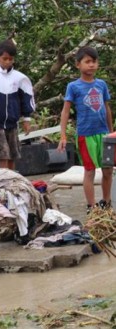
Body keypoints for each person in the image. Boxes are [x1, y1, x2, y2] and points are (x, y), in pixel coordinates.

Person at [57, 46, 113, 213]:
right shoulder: (73, 86)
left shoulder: (101, 85)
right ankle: (92, 206)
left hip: (104, 134)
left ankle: (107, 201)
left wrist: (111, 132)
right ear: (78, 64)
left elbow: (107, 108)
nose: (91, 65)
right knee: (89, 171)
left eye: (94, 61)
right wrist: (62, 135)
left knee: (108, 170)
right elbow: (66, 111)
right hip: (85, 135)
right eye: (87, 61)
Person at [0, 39, 36, 170]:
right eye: (5, 59)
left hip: (12, 123)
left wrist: (26, 119)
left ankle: (11, 180)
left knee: (13, 154)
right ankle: (3, 181)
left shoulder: (19, 77)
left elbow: (26, 99)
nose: (8, 62)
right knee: (3, 154)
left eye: (11, 59)